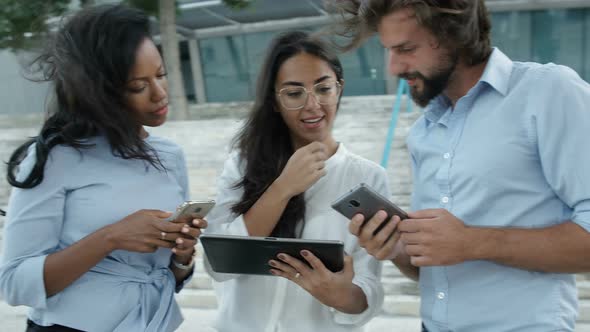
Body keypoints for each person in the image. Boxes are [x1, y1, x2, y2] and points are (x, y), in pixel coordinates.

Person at [328, 0, 590, 331]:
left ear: (454, 35)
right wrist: (399, 250)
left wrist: (473, 242)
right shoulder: (424, 132)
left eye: (406, 48)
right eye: (389, 51)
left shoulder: (548, 92)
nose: (393, 67)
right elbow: (439, 266)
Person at [0, 5, 206, 332]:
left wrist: (182, 257)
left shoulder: (170, 156)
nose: (159, 93)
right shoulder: (55, 158)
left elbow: (169, 275)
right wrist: (111, 238)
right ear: (99, 92)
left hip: (153, 323)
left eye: (161, 74)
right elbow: (13, 283)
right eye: (138, 86)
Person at [203, 30, 386, 332]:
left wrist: (339, 294)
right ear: (274, 101)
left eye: (323, 89)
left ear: (339, 89)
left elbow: (368, 288)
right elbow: (218, 265)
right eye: (294, 93)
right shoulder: (242, 164)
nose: (313, 105)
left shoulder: (368, 177)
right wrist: (283, 187)